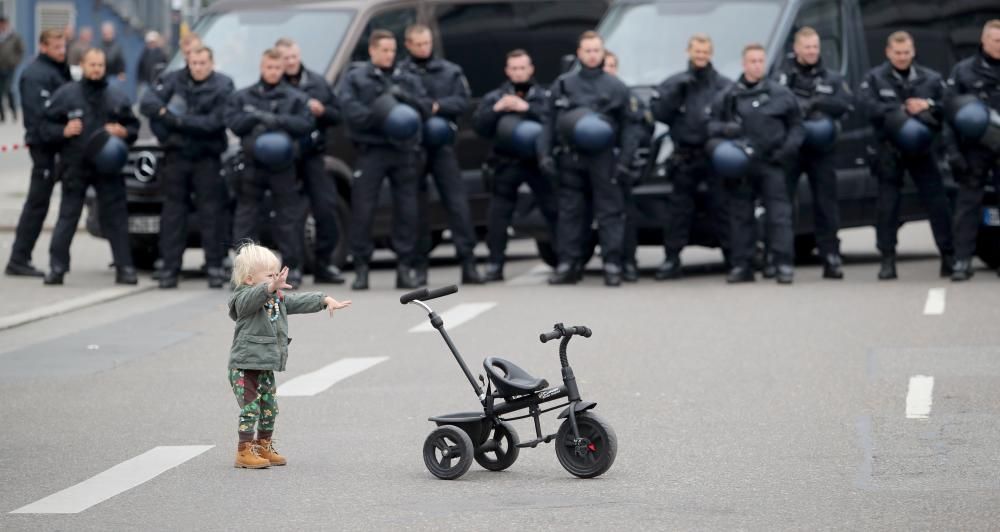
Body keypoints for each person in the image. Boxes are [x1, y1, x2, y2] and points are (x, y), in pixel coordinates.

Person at [227, 242, 350, 468]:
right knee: (251, 407)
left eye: (277, 274)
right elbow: (249, 302)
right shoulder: (242, 299)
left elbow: (296, 301)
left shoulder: (276, 298)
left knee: (270, 407)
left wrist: (323, 300)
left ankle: (263, 444)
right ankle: (244, 450)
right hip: (244, 367)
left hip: (264, 365)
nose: (276, 279)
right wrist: (269, 288)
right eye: (270, 275)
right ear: (249, 279)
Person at [335, 29, 432, 290]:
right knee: (363, 208)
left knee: (407, 209)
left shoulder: (406, 77)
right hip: (372, 150)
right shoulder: (356, 77)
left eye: (392, 50)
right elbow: (350, 112)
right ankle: (362, 267)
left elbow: (425, 108)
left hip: (403, 151)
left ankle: (405, 266)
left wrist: (403, 97)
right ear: (372, 50)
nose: (389, 55)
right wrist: (381, 114)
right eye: (384, 50)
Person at [542, 31, 635, 287]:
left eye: (597, 50)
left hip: (604, 159)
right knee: (570, 212)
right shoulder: (563, 84)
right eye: (588, 50)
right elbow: (548, 122)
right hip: (571, 158)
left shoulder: (616, 87)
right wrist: (544, 154)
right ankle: (569, 263)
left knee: (609, 212)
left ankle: (612, 263)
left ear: (603, 53)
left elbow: (630, 126)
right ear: (579, 53)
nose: (592, 55)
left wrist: (625, 160)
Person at [859, 31, 954, 280]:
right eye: (897, 53)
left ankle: (948, 256)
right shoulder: (875, 78)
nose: (902, 57)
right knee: (887, 207)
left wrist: (927, 106)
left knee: (937, 203)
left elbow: (949, 105)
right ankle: (887, 259)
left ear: (913, 52)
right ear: (888, 52)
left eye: (906, 53)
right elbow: (867, 107)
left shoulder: (930, 78)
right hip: (889, 151)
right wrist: (899, 111)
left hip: (923, 150)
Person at [40, 48, 139, 285]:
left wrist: (123, 131)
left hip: (108, 168)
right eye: (92, 65)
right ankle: (57, 267)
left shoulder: (116, 96)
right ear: (82, 65)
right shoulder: (66, 95)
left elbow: (133, 128)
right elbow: (44, 127)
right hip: (75, 165)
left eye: (100, 65)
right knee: (68, 217)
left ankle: (125, 267)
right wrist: (62, 131)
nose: (96, 69)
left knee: (116, 217)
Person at [708, 43, 803, 284]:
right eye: (753, 61)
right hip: (741, 164)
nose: (757, 65)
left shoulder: (781, 94)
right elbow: (711, 128)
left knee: (779, 215)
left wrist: (786, 151)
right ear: (744, 63)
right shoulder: (729, 95)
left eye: (761, 61)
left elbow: (796, 126)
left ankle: (782, 263)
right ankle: (742, 265)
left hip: (773, 162)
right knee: (740, 216)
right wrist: (727, 130)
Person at [141, 45, 234, 289]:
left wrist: (176, 120)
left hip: (207, 157)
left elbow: (215, 123)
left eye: (203, 63)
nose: (198, 67)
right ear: (187, 62)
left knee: (210, 213)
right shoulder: (173, 79)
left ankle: (214, 266)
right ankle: (170, 267)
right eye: (194, 63)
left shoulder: (223, 85)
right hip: (177, 157)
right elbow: (148, 103)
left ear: (211, 63)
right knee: (173, 213)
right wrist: (165, 114)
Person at [400, 24, 484, 286]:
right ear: (409, 45)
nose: (425, 48)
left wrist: (438, 107)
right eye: (419, 44)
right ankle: (419, 265)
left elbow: (462, 101)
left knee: (457, 204)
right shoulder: (402, 73)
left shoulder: (449, 70)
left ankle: (468, 262)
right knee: (416, 208)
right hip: (413, 147)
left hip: (443, 147)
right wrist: (429, 107)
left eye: (427, 43)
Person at [225, 48, 314, 289]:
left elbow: (306, 124)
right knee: (247, 218)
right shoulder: (244, 96)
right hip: (252, 165)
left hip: (283, 166)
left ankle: (292, 269)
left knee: (288, 217)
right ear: (262, 67)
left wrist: (277, 121)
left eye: (277, 68)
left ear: (282, 69)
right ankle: (245, 273)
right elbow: (233, 122)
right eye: (269, 68)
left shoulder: (295, 97)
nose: (273, 72)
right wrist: (255, 118)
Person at [774, 27, 853, 279]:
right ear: (796, 48)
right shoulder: (782, 78)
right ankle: (780, 257)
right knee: (783, 203)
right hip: (792, 149)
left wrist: (818, 103)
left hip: (822, 150)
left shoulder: (832, 78)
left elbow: (845, 104)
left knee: (826, 204)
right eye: (807, 47)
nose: (811, 52)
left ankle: (830, 255)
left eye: (815, 47)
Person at [653, 34, 733, 280]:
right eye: (697, 51)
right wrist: (676, 93)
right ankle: (672, 258)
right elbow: (659, 113)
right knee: (678, 212)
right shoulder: (675, 83)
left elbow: (733, 119)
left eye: (705, 52)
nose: (701, 56)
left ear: (711, 53)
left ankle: (734, 257)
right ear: (689, 51)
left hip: (714, 156)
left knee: (723, 207)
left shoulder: (723, 85)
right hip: (685, 156)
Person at [473, 49, 558, 281]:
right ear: (507, 71)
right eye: (514, 68)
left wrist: (526, 108)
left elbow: (553, 122)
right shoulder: (495, 97)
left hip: (536, 162)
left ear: (531, 69)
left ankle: (564, 259)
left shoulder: (543, 96)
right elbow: (480, 127)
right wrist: (496, 110)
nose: (519, 73)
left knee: (553, 208)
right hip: (506, 162)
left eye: (523, 68)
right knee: (498, 215)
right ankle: (495, 264)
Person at [275, 38, 346, 285]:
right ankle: (292, 267)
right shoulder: (274, 85)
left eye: (294, 56)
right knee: (290, 214)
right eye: (285, 58)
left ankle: (324, 263)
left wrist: (323, 111)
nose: (291, 62)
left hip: (314, 155)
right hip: (286, 158)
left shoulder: (317, 82)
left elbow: (338, 115)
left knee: (326, 207)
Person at [5, 29, 71, 277]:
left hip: (60, 147)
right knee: (37, 204)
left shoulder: (58, 71)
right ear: (43, 47)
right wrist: (61, 131)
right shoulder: (35, 75)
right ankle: (19, 258)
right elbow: (37, 120)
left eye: (63, 47)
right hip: (45, 149)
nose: (61, 52)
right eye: (57, 47)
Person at [946, 20, 1000, 281]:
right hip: (974, 149)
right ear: (984, 41)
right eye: (996, 40)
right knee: (968, 206)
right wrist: (953, 153)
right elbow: (950, 114)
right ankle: (962, 260)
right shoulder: (964, 71)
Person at [603, 50, 652, 282]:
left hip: (623, 163)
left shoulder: (628, 97)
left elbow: (643, 129)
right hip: (598, 164)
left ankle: (628, 260)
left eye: (613, 65)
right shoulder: (593, 97)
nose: (609, 69)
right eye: (606, 65)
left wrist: (626, 159)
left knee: (626, 215)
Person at [0, 15, 25, 123]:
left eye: (4, 23)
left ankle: (14, 112)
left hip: (10, 68)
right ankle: (2, 116)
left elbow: (21, 50)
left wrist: (15, 62)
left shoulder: (14, 36)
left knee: (10, 90)